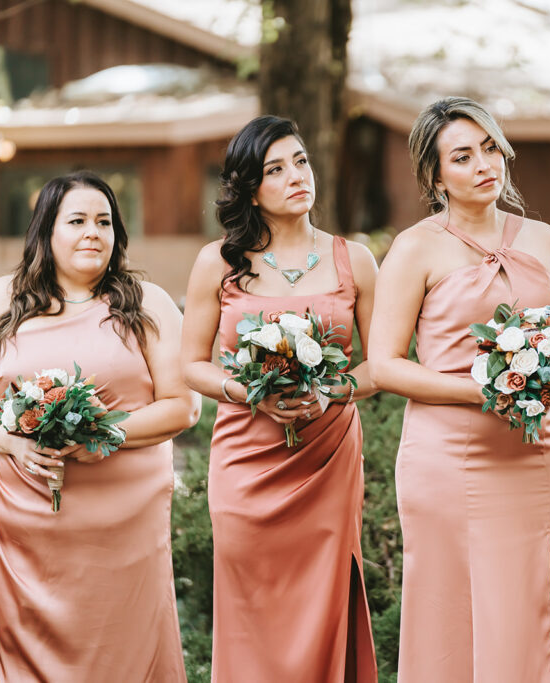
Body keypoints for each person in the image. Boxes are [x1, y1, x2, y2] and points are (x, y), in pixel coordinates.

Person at [0, 171, 199, 681]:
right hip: (19, 518)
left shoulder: (147, 303)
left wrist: (106, 433)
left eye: (104, 222)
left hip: (122, 521)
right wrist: (12, 443)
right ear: (46, 231)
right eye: (77, 220)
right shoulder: (1, 299)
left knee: (120, 645)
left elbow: (182, 406)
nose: (93, 233)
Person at [369, 96, 550, 683]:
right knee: (450, 612)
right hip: (447, 458)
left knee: (524, 612)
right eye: (462, 156)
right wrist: (483, 391)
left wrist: (548, 384)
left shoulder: (547, 241)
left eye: (490, 148)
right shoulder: (415, 247)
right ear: (436, 178)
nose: (484, 164)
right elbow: (384, 365)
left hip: (533, 452)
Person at [180, 115, 379, 681]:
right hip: (246, 461)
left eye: (301, 161)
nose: (297, 176)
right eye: (275, 169)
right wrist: (250, 393)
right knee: (252, 607)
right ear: (249, 188)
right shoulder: (219, 261)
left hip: (327, 457)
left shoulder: (355, 259)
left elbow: (382, 364)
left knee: (323, 599)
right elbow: (190, 365)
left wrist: (331, 392)